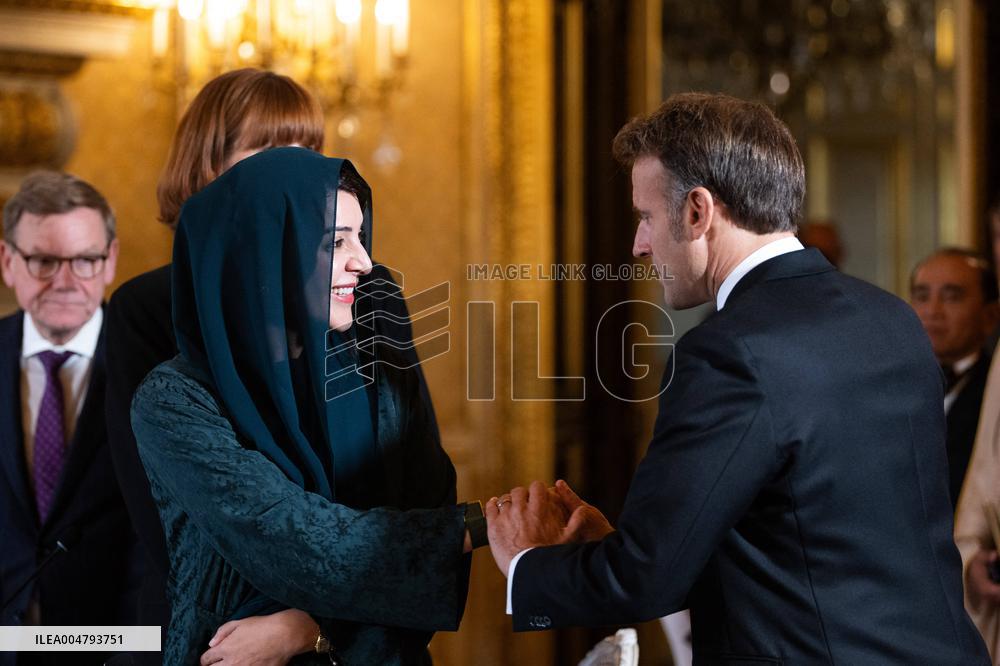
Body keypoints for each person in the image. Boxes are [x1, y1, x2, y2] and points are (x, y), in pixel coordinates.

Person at [485, 92, 991, 664]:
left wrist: (529, 562)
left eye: (645, 217)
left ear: (697, 211)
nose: (639, 245)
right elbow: (817, 538)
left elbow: (645, 579)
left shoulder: (727, 353)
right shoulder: (891, 318)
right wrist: (617, 546)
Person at [105, 68, 423, 663]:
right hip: (219, 626)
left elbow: (410, 484)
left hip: (364, 624)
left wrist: (317, 623)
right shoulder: (148, 314)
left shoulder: (367, 296)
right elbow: (170, 510)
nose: (294, 168)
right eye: (269, 150)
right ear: (206, 167)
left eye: (308, 150)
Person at [130, 147, 478, 664]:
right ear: (266, 253)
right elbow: (291, 538)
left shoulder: (375, 368)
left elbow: (430, 507)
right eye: (337, 242)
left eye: (361, 237)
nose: (364, 262)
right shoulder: (173, 401)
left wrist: (312, 629)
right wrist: (485, 526)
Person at [0, 172, 137, 665]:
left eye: (84, 260)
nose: (64, 282)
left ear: (110, 261)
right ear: (7, 261)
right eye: (43, 261)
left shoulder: (152, 367)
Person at [910, 248, 999, 509]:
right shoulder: (885, 387)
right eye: (922, 296)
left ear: (990, 316)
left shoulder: (993, 391)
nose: (932, 311)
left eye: (952, 297)